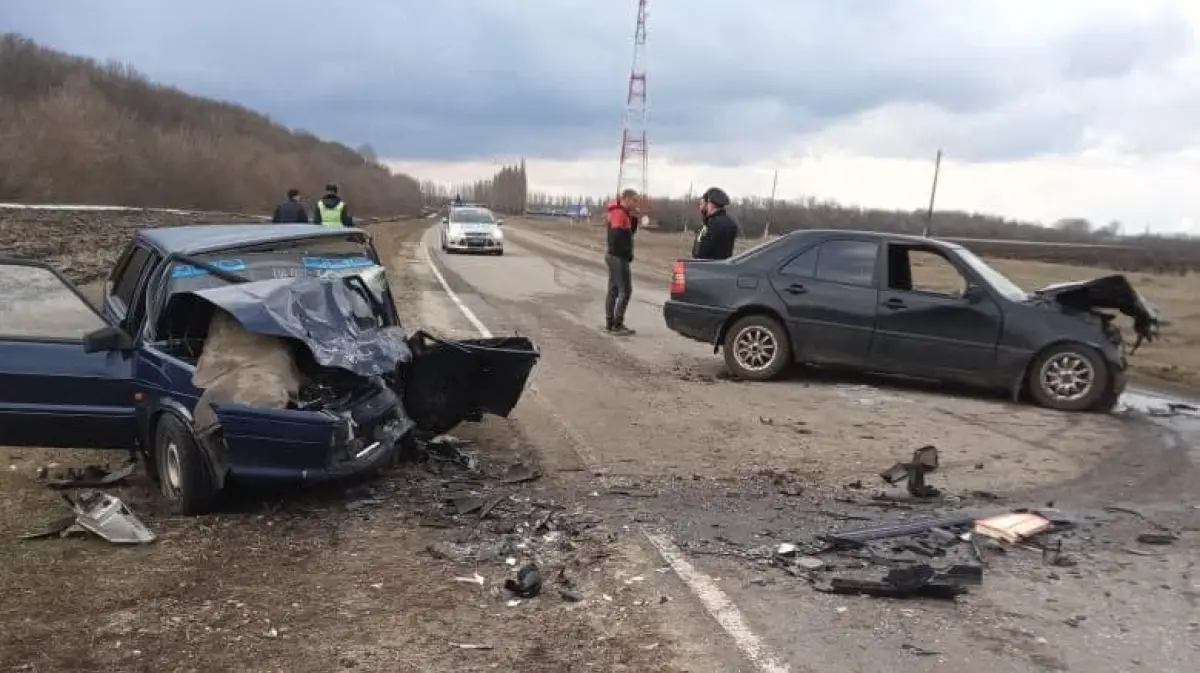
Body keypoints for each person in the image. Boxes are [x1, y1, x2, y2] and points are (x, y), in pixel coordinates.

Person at [604, 189, 640, 336]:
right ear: (626, 199)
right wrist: (626, 253)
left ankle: (610, 323)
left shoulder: (621, 213)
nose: (636, 203)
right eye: (634, 200)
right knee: (625, 291)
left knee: (613, 290)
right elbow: (617, 237)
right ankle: (617, 324)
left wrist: (635, 219)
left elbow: (629, 232)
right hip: (618, 257)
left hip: (614, 256)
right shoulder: (619, 213)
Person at [692, 186, 739, 260]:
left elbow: (700, 253)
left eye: (703, 203)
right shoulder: (730, 223)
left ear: (710, 203)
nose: (701, 206)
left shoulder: (711, 224)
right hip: (721, 268)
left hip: (707, 267)